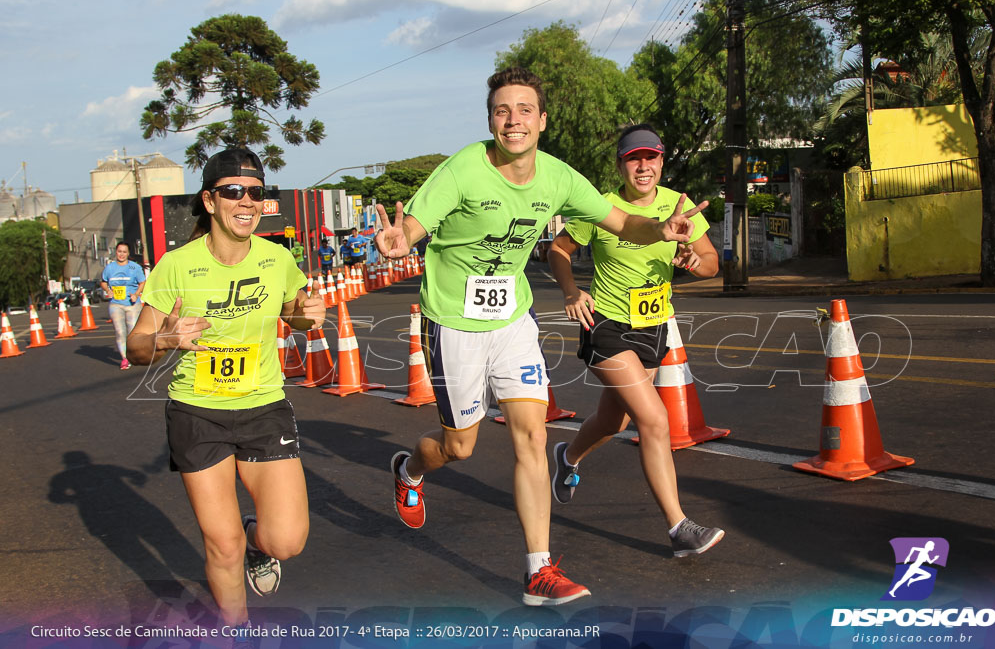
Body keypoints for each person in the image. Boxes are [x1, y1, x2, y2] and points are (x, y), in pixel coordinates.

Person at [374, 68, 707, 606]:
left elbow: (623, 222)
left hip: (512, 323)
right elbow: (414, 224)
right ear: (490, 120)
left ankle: (539, 569)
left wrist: (660, 230)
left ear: (542, 120)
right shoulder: (462, 168)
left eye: (524, 110)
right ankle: (409, 469)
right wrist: (401, 237)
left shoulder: (558, 177)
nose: (514, 121)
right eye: (503, 111)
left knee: (530, 435)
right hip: (453, 322)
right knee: (458, 447)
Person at [126, 147, 325, 633]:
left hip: (263, 408)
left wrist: (307, 316)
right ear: (210, 201)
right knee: (222, 545)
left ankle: (260, 546)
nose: (247, 201)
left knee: (287, 541)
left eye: (255, 193)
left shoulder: (277, 259)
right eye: (233, 191)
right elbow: (136, 347)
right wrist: (167, 339)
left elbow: (294, 312)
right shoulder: (176, 266)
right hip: (198, 412)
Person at [547, 124, 725, 558]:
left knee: (614, 422)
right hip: (605, 324)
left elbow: (711, 264)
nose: (643, 166)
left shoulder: (680, 206)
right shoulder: (602, 208)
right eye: (633, 158)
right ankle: (679, 527)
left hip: (654, 328)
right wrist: (572, 292)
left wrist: (691, 260)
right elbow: (558, 249)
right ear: (621, 164)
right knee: (655, 420)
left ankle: (567, 458)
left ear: (662, 161)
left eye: (651, 157)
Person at [100, 241, 146, 370]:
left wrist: (136, 294)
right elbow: (103, 282)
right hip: (116, 304)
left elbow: (142, 282)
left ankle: (134, 353)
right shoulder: (110, 268)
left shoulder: (134, 267)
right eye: (119, 251)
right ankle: (125, 358)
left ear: (128, 253)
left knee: (132, 330)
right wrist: (108, 290)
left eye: (124, 252)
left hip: (132, 304)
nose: (121, 254)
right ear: (116, 252)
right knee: (120, 332)